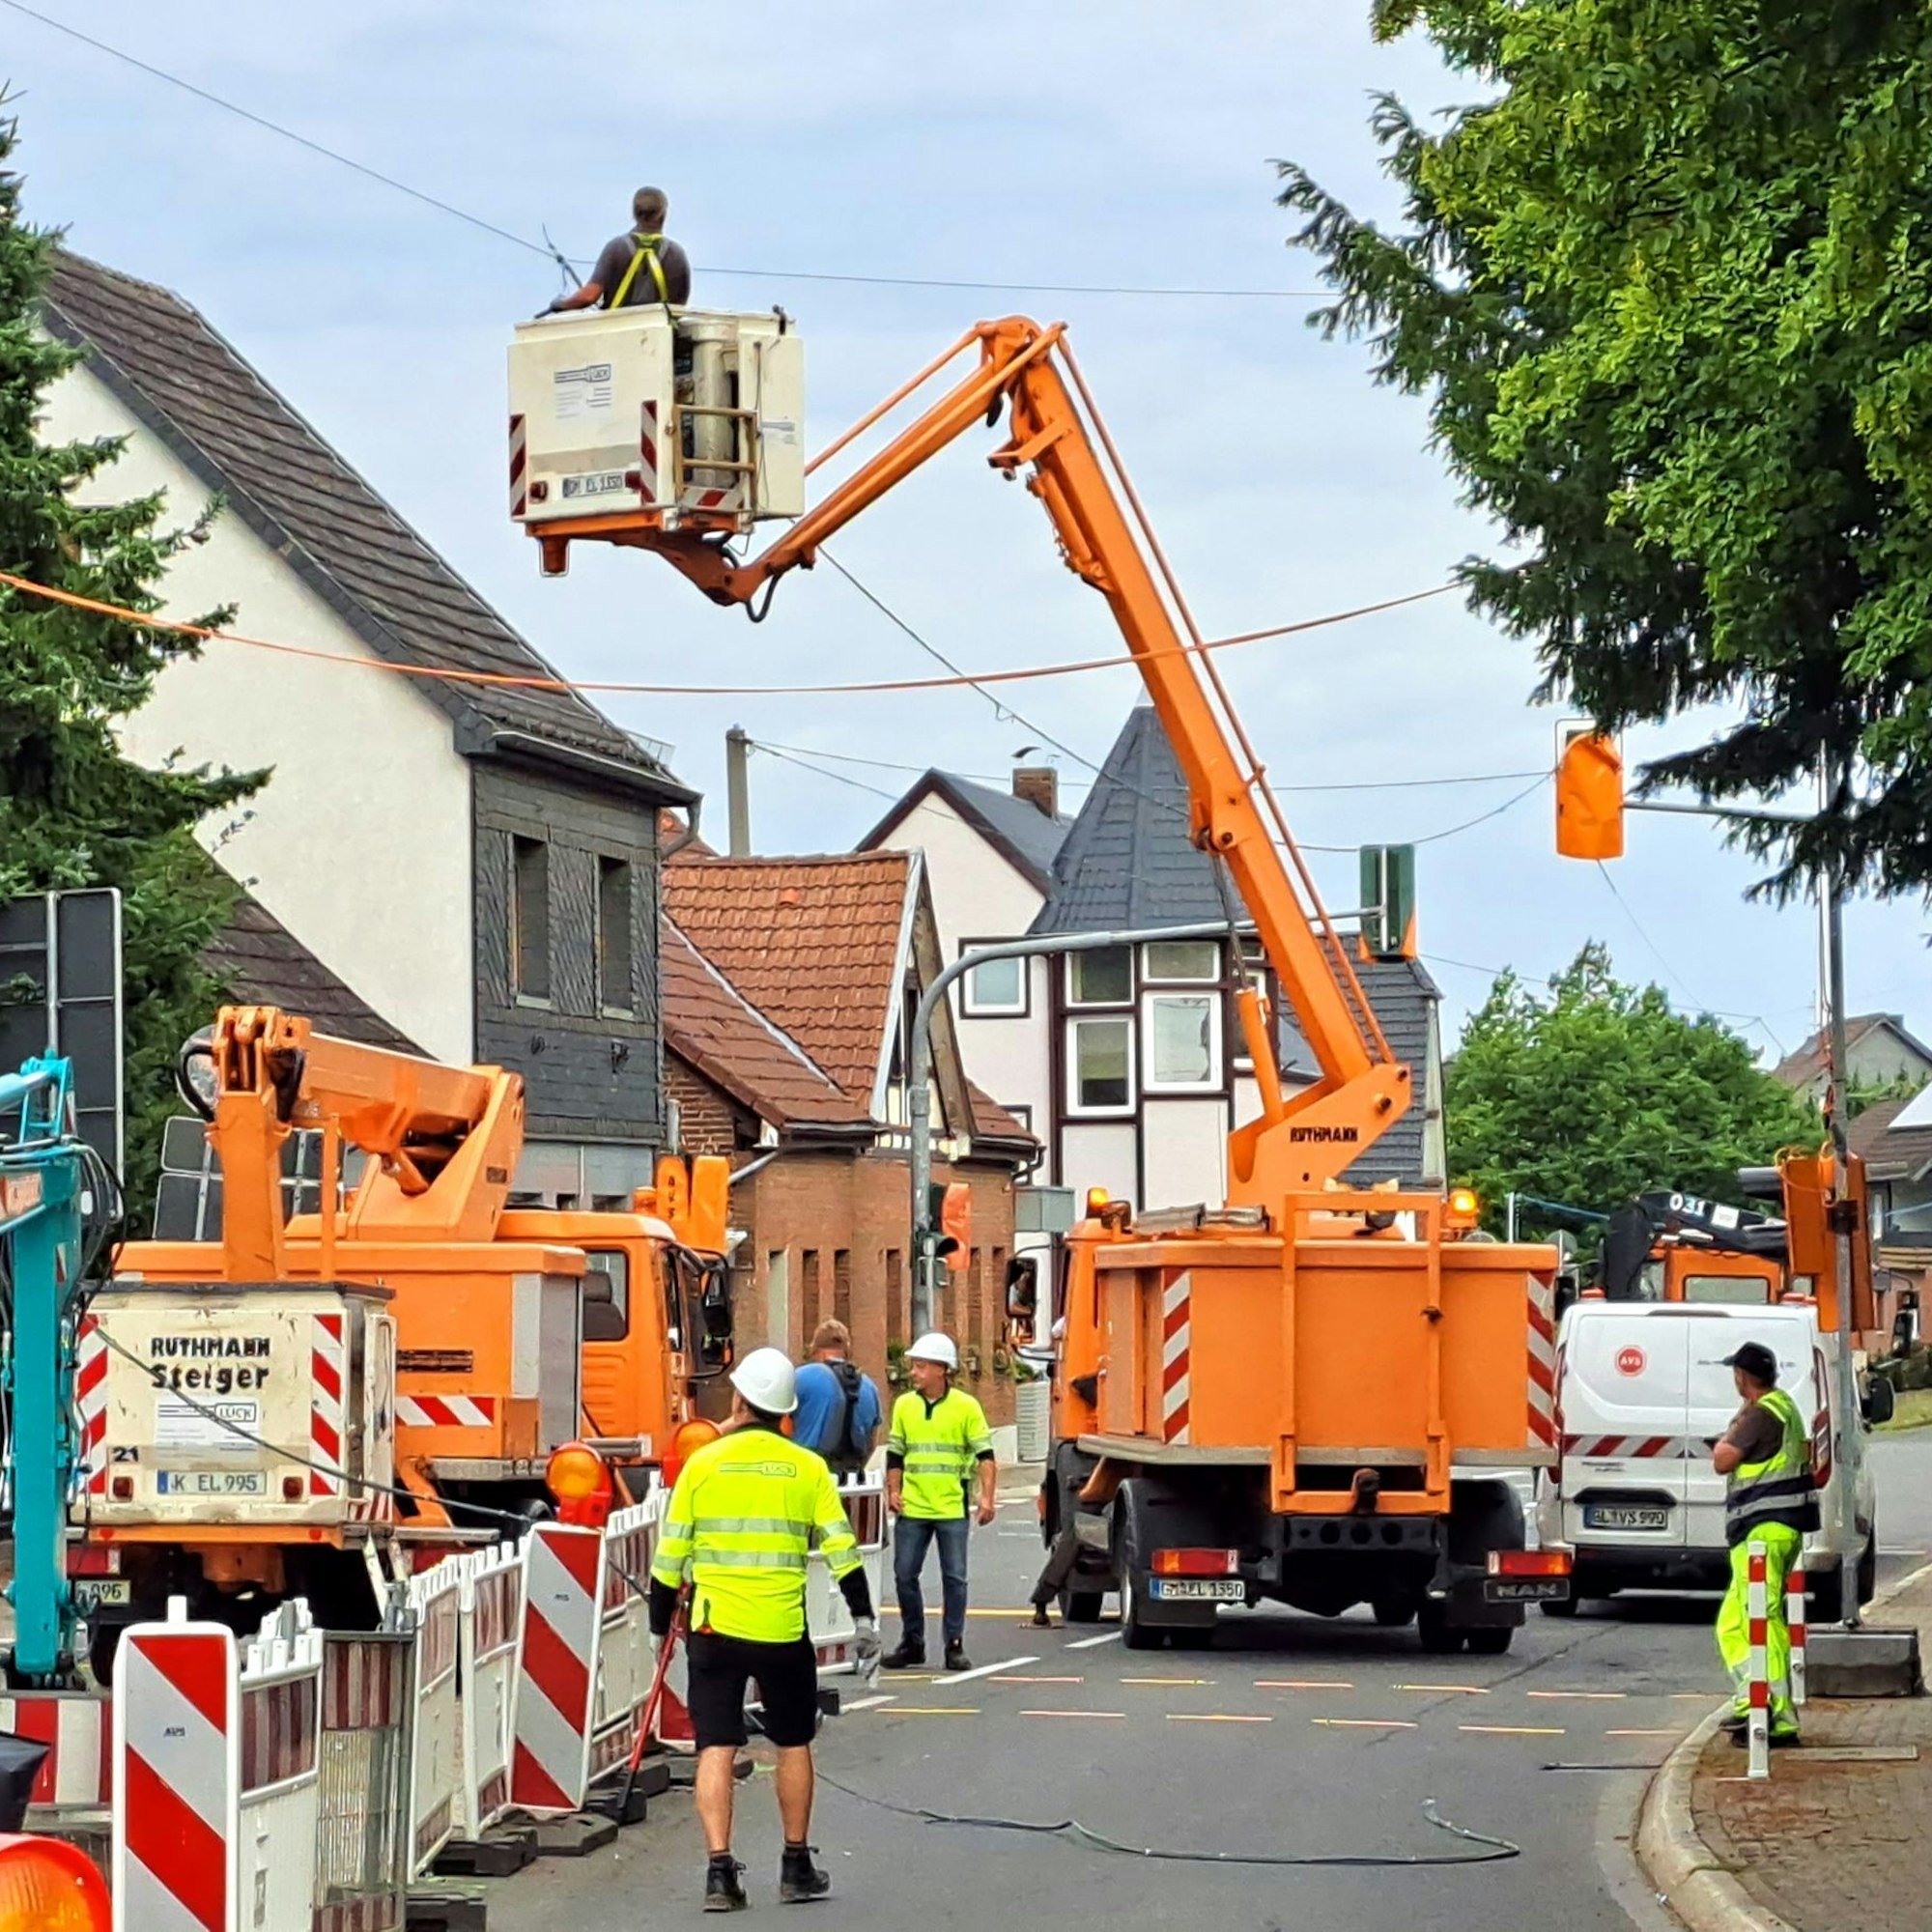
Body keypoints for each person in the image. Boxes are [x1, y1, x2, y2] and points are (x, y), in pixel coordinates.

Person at [649, 1346, 882, 1912]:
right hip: (781, 1630)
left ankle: (719, 1874)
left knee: (716, 1746)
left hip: (714, 1629)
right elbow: (843, 1552)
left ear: (738, 1400)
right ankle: (796, 1865)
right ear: (788, 1415)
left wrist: (662, 1626)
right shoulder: (808, 1470)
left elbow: (668, 1559)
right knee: (793, 1740)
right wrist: (863, 1619)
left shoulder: (703, 1464)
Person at [1711, 1340, 1817, 1749]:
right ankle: (1760, 1704)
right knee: (1750, 1621)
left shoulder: (1759, 1413)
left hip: (1762, 1531)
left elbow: (1723, 1459)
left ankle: (1767, 1709)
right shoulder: (1785, 1406)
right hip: (1780, 1528)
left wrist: (1735, 1424)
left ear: (1741, 1377)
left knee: (1752, 1620)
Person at [882, 1332, 996, 1672]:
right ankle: (912, 1641)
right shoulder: (904, 1405)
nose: (913, 1373)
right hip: (912, 1507)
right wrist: (893, 1490)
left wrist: (986, 1497)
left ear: (940, 1370)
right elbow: (895, 1454)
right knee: (904, 1575)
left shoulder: (966, 1407)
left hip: (951, 1507)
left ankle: (954, 1645)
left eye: (920, 1366)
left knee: (955, 1578)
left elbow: (985, 1456)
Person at [546, 186, 693, 313]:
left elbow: (589, 296)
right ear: (664, 213)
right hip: (660, 337)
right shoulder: (677, 254)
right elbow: (678, 307)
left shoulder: (616, 248)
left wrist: (559, 304)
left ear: (634, 214)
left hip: (617, 336)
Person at [791, 1320, 883, 1478]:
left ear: (815, 1350)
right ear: (847, 1351)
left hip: (806, 1477)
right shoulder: (870, 1387)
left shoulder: (800, 1378)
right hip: (852, 1483)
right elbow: (872, 1442)